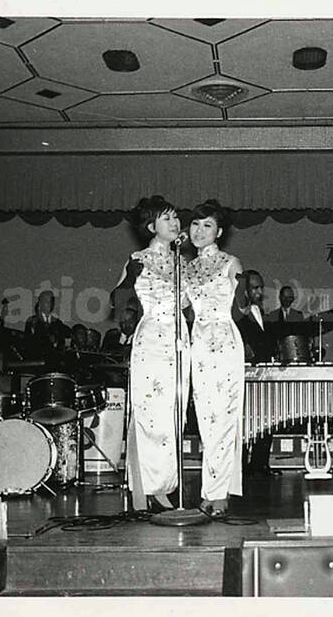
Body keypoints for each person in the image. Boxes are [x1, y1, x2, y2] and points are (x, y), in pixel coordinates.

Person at [111, 195, 188, 513]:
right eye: (166, 218)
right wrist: (131, 310)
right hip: (152, 341)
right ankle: (144, 488)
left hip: (178, 340)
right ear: (151, 226)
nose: (175, 223)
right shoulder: (138, 259)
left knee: (174, 415)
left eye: (175, 217)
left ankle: (165, 486)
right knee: (150, 415)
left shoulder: (183, 261)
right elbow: (117, 298)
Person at [184, 199, 245, 517]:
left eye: (207, 225)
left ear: (219, 231)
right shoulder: (186, 268)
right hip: (198, 344)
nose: (199, 230)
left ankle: (217, 493)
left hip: (223, 342)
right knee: (206, 421)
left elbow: (246, 308)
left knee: (222, 418)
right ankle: (211, 489)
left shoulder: (230, 262)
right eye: (195, 224)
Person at [235, 269, 281, 478]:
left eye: (261, 287)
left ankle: (260, 464)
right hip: (245, 377)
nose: (260, 291)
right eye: (255, 288)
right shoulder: (235, 316)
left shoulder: (263, 314)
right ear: (245, 291)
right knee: (245, 422)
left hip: (266, 376)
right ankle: (241, 467)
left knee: (267, 420)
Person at [25, 289, 70, 357]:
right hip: (38, 359)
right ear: (40, 303)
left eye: (51, 301)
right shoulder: (33, 322)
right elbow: (29, 342)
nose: (49, 304)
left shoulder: (57, 322)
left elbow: (67, 335)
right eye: (46, 301)